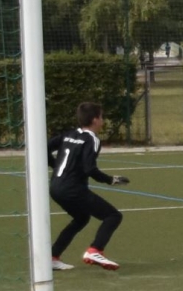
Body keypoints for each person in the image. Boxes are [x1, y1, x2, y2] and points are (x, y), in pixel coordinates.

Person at [48, 102, 130, 271]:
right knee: (113, 216)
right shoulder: (92, 139)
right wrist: (110, 180)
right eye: (101, 117)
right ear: (95, 120)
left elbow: (44, 147)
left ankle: (53, 256)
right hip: (73, 189)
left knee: (81, 218)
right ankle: (95, 250)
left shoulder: (69, 134)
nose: (103, 120)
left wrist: (56, 167)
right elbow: (89, 169)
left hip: (55, 187)